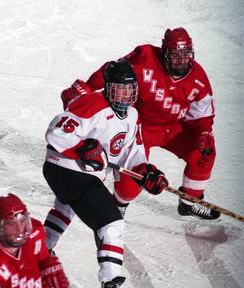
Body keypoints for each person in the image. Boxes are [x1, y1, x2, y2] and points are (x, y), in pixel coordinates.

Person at [43, 59, 168, 288]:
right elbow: (55, 133)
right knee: (112, 224)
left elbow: (131, 155)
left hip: (77, 174)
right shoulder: (91, 103)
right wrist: (81, 149)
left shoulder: (133, 116)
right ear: (109, 88)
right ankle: (110, 286)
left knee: (67, 206)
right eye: (120, 89)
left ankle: (40, 251)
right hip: (66, 167)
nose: (125, 95)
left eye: (130, 89)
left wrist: (147, 173)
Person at [61, 27, 220, 220]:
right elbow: (112, 70)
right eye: (175, 55)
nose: (181, 61)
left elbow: (201, 117)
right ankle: (118, 205)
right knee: (132, 180)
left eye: (185, 55)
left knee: (206, 150)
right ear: (164, 52)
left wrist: (203, 133)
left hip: (173, 129)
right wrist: (88, 87)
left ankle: (188, 203)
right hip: (139, 126)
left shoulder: (199, 79)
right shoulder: (145, 56)